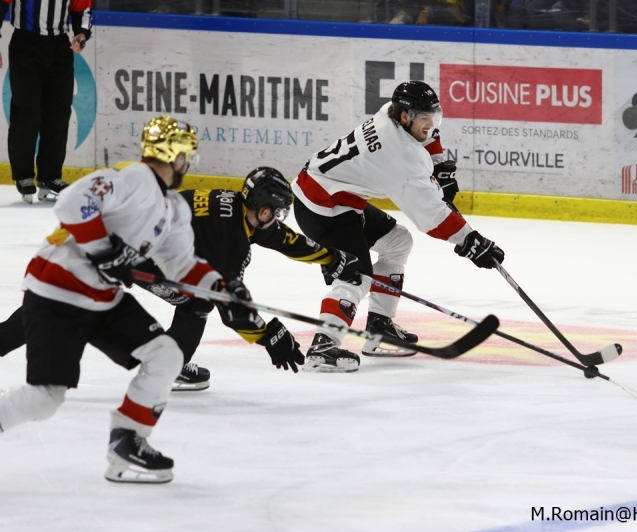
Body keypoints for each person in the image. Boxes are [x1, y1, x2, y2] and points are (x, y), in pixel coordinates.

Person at [0, 116, 256, 484]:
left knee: (166, 355)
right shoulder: (134, 178)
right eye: (186, 155)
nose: (188, 163)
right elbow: (72, 202)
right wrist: (104, 250)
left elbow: (182, 264)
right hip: (58, 290)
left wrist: (223, 286)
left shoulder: (174, 208)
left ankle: (127, 440)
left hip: (102, 296)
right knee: (44, 399)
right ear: (177, 156)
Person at [0, 167, 365, 389]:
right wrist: (269, 336)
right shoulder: (231, 242)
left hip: (122, 243)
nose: (280, 218)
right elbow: (229, 305)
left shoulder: (240, 208)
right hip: (125, 256)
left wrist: (332, 257)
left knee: (51, 310)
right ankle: (172, 367)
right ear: (265, 208)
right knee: (198, 302)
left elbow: (282, 239)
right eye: (279, 211)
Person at [291, 80, 505, 373]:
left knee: (397, 241)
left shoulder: (390, 114)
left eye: (434, 116)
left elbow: (428, 137)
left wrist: (440, 167)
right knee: (355, 276)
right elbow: (431, 217)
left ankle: (380, 326)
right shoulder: (400, 157)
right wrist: (470, 242)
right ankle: (323, 344)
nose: (430, 124)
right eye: (424, 118)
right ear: (405, 116)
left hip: (332, 194)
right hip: (323, 206)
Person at [0, 0, 92, 203]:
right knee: (27, 112)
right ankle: (23, 175)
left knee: (58, 114)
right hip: (25, 46)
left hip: (59, 47)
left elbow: (82, 9)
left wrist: (82, 33)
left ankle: (50, 176)